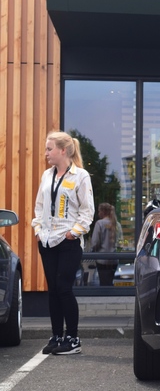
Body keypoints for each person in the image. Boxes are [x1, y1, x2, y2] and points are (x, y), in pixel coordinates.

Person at [32, 131, 94, 355]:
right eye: (46, 149)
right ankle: (56, 337)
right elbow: (40, 205)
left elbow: (87, 212)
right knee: (53, 291)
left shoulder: (81, 176)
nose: (46, 153)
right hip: (47, 241)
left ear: (63, 150)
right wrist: (38, 229)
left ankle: (73, 339)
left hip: (68, 242)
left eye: (49, 149)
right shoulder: (47, 176)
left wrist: (74, 233)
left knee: (63, 288)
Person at [90, 203, 120, 286]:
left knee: (103, 283)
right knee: (110, 281)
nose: (98, 213)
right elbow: (121, 242)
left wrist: (92, 251)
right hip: (114, 259)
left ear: (103, 212)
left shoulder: (99, 224)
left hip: (102, 259)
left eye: (99, 211)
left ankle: (105, 298)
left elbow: (95, 242)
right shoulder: (117, 224)